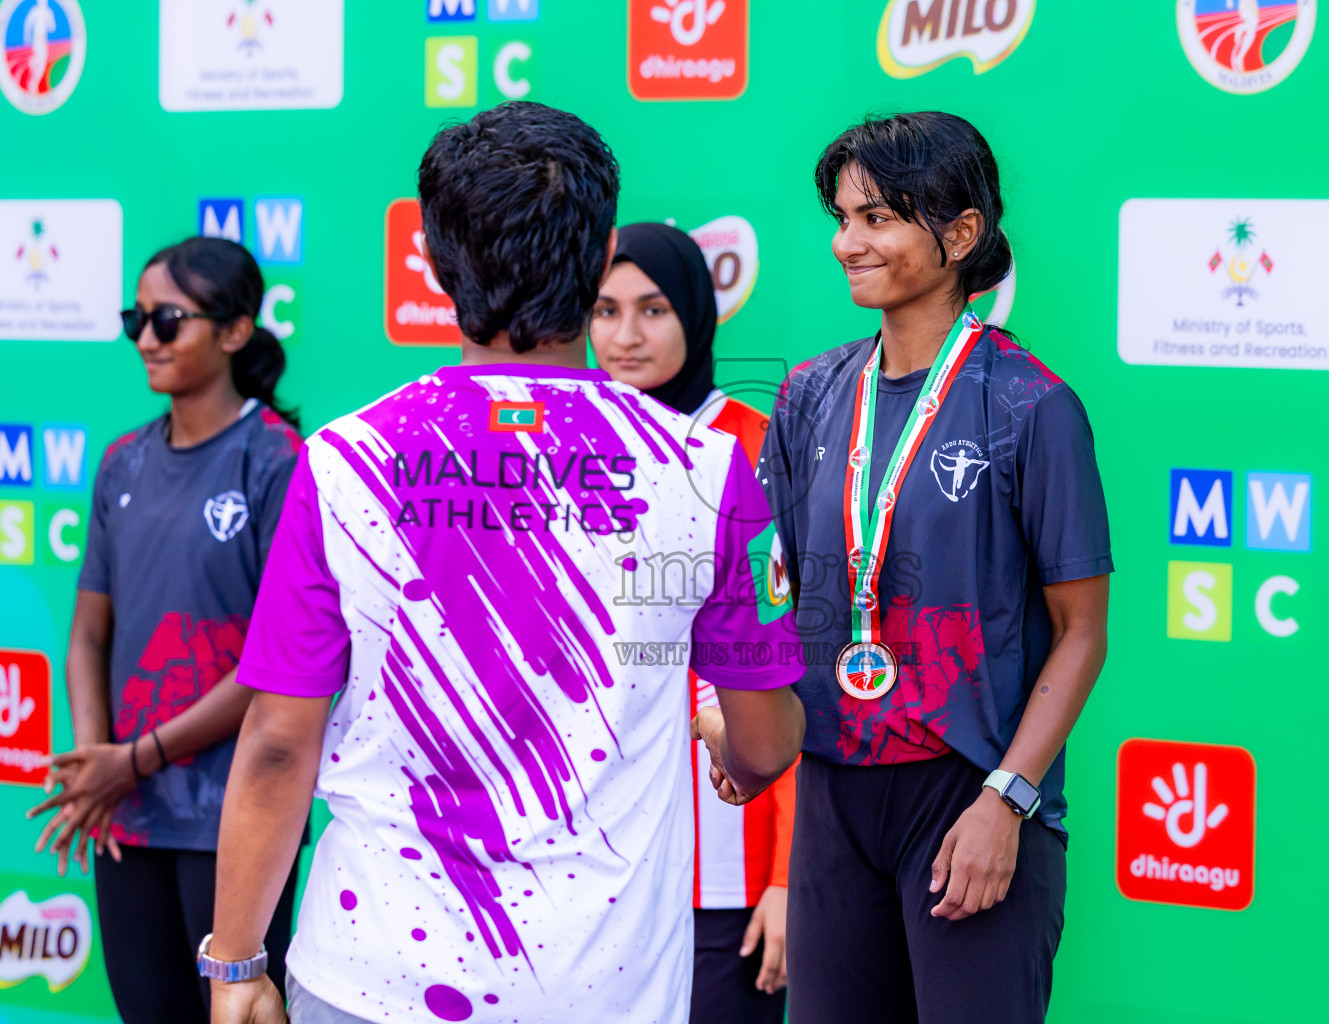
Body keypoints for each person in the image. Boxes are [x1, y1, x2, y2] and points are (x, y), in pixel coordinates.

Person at [203, 101, 806, 1024]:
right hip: (605, 994)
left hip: (368, 982)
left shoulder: (342, 463)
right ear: (602, 255)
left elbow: (279, 741)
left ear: (435, 262)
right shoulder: (714, 471)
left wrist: (238, 962)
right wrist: (723, 735)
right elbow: (766, 745)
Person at [758, 111, 1114, 1024]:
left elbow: (1081, 636)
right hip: (835, 795)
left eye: (878, 218)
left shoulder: (1033, 406)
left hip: (972, 794)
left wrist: (1010, 799)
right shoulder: (806, 395)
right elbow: (792, 599)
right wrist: (741, 721)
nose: (848, 243)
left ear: (960, 235)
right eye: (843, 218)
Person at [25, 236, 303, 1024]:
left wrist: (131, 759)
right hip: (127, 815)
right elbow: (87, 634)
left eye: (168, 319)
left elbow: (273, 664)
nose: (145, 337)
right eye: (136, 318)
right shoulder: (121, 461)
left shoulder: (277, 462)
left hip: (238, 819)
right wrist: (94, 762)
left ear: (235, 331)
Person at [591, 221, 796, 1024]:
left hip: (724, 868)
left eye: (653, 310)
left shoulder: (748, 450)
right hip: (588, 863)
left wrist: (785, 876)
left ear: (697, 318)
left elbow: (791, 665)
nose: (625, 336)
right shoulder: (564, 444)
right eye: (605, 311)